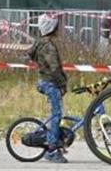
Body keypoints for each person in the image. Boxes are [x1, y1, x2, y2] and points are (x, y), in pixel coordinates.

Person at [27, 13, 68, 164]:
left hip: (43, 81)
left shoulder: (39, 42)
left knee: (55, 114)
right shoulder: (49, 46)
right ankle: (52, 150)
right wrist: (63, 83)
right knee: (57, 114)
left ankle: (54, 137)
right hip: (51, 83)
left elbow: (30, 55)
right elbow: (55, 68)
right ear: (52, 28)